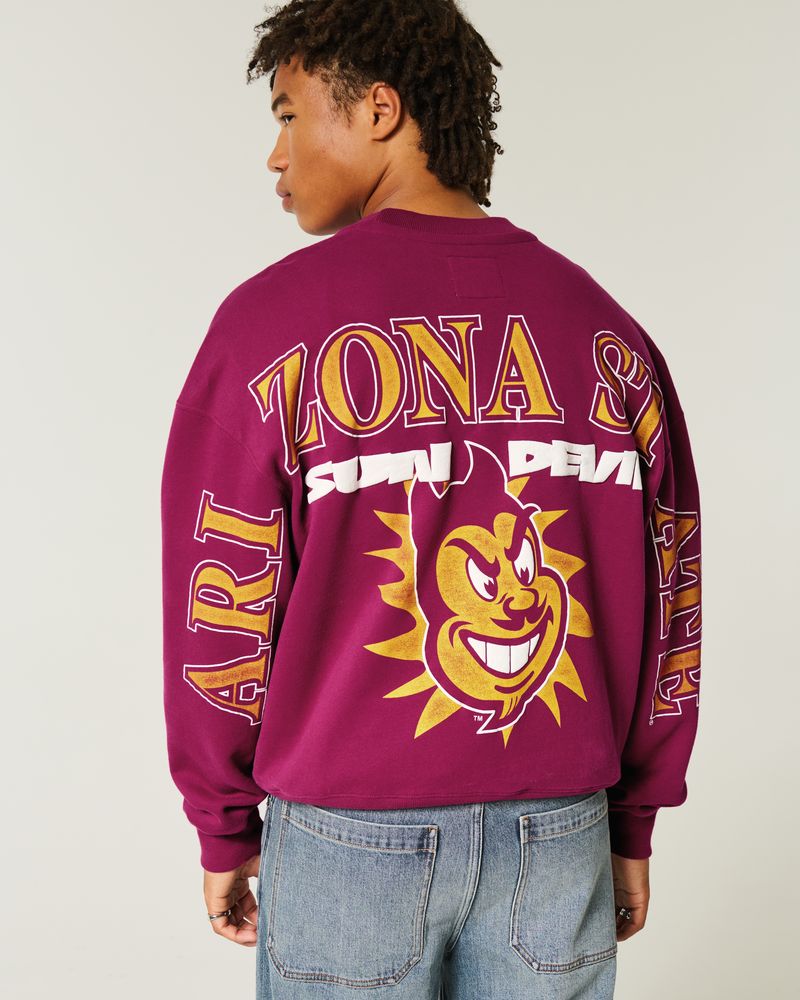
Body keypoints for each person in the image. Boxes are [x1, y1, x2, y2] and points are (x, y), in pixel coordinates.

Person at [160, 1, 703, 997]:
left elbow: (219, 598)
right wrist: (632, 819)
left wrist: (222, 823)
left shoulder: (265, 332)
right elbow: (673, 597)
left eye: (288, 115)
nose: (275, 156)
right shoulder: (605, 333)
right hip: (560, 834)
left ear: (378, 109)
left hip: (344, 839)